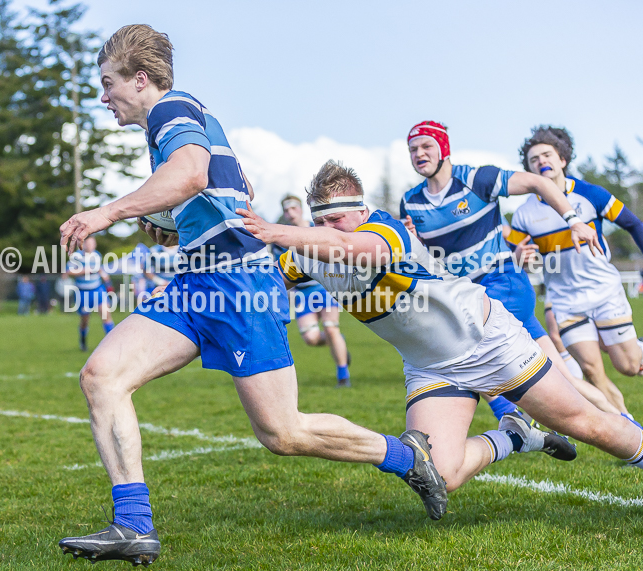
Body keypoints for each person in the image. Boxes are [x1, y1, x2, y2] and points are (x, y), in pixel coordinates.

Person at [56, 25, 447, 566]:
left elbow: (191, 175)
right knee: (102, 376)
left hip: (239, 284)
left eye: (108, 83)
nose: (104, 97)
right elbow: (226, 190)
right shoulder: (185, 123)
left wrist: (109, 211)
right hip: (195, 283)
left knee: (283, 433)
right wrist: (173, 226)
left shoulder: (173, 110)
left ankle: (407, 455)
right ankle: (133, 525)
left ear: (140, 79)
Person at [238, 160, 643, 509]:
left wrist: (277, 232)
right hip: (430, 367)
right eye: (319, 220)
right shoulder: (306, 253)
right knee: (442, 472)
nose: (325, 228)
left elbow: (354, 248)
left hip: (487, 343)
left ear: (361, 211)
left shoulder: (386, 231)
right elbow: (263, 286)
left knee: (587, 425)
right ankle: (516, 438)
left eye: (335, 219)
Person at [399, 121, 617, 416]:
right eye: (413, 149)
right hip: (468, 292)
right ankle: (630, 429)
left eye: (427, 146)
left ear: (444, 149)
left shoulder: (477, 179)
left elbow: (538, 183)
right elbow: (427, 258)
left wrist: (574, 221)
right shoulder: (411, 202)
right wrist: (411, 241)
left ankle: (512, 420)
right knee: (564, 379)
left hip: (502, 283)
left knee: (463, 348)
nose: (419, 154)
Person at [508, 125, 643, 416]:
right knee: (593, 371)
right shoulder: (524, 213)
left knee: (629, 367)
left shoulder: (590, 194)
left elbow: (633, 224)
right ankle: (633, 433)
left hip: (604, 292)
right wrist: (517, 254)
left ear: (562, 160)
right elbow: (511, 255)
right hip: (566, 300)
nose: (541, 161)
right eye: (534, 159)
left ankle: (636, 348)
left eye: (547, 155)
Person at [274, 194, 351, 387]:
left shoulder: (316, 229)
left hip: (324, 288)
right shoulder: (281, 239)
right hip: (302, 294)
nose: (290, 213)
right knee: (311, 338)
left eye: (293, 208)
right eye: (286, 210)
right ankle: (337, 343)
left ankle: (343, 376)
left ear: (300, 209)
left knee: (330, 327)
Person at [66, 236, 116, 352]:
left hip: (98, 289)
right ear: (83, 244)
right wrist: (84, 271)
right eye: (88, 244)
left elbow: (98, 269)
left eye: (93, 244)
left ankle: (112, 342)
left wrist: (104, 276)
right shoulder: (76, 256)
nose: (91, 246)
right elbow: (68, 272)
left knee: (106, 315)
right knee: (85, 320)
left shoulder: (97, 255)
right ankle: (83, 339)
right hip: (83, 292)